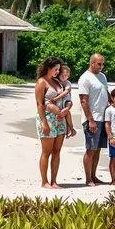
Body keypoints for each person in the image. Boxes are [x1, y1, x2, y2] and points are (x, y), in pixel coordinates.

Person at [34, 57, 68, 189]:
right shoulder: (41, 82)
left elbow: (65, 97)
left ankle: (54, 181)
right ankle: (44, 182)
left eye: (59, 69)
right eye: (55, 69)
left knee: (57, 151)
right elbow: (39, 104)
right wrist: (44, 123)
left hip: (60, 119)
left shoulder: (57, 82)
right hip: (47, 119)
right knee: (46, 152)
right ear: (48, 68)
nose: (57, 72)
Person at [77, 53, 110, 186]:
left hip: (103, 117)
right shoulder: (85, 78)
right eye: (99, 64)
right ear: (92, 63)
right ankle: (88, 178)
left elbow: (106, 92)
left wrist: (113, 106)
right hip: (92, 118)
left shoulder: (102, 76)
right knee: (91, 149)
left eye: (103, 64)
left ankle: (94, 176)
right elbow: (83, 101)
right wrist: (90, 120)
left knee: (98, 149)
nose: (101, 66)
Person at [44, 64, 76, 139]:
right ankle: (68, 128)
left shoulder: (68, 83)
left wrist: (56, 98)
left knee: (67, 109)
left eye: (66, 75)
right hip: (58, 103)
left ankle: (71, 128)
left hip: (65, 99)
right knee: (63, 113)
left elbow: (66, 92)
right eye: (62, 75)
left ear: (68, 76)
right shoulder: (56, 81)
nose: (64, 77)